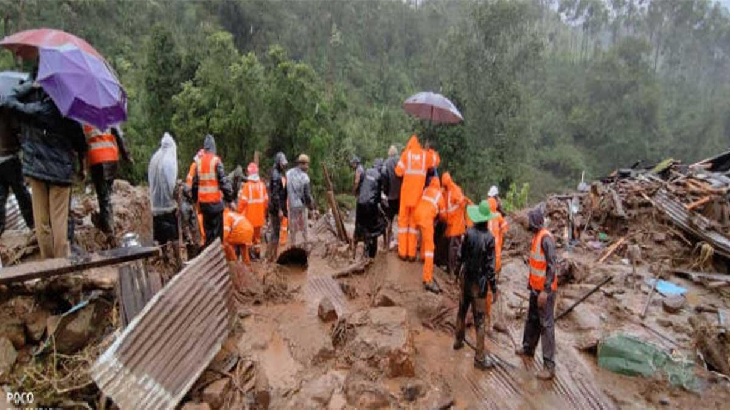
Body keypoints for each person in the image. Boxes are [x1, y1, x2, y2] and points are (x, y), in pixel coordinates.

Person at [1, 78, 87, 258]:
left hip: (37, 170)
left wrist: (29, 86)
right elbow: (81, 143)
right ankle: (61, 263)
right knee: (59, 219)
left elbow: (7, 100)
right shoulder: (68, 111)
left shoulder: (33, 109)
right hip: (61, 172)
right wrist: (81, 167)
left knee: (41, 221)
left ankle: (47, 264)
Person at [453, 200, 497, 370]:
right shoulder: (490, 239)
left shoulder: (468, 233)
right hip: (480, 284)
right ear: (486, 220)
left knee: (462, 310)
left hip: (466, 279)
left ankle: (458, 340)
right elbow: (490, 267)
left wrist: (456, 273)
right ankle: (479, 358)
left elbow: (460, 256)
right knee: (479, 320)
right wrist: (494, 288)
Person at [516, 207, 557, 380]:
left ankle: (549, 365)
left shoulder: (546, 239)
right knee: (531, 318)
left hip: (544, 292)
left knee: (546, 326)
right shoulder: (537, 237)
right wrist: (531, 285)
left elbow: (552, 266)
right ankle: (528, 348)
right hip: (535, 288)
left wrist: (545, 291)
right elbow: (535, 265)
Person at [83, 123, 133, 242]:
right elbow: (119, 136)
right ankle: (107, 223)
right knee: (106, 194)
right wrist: (127, 155)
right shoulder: (108, 117)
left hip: (96, 160)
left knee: (103, 195)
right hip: (111, 159)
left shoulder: (85, 121)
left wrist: (82, 167)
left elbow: (82, 144)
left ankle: (109, 229)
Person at [0, 92, 33, 236]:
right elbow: (17, 131)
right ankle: (32, 224)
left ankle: (0, 231)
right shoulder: (7, 111)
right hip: (10, 158)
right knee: (21, 193)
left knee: (0, 197)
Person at [191, 134, 233, 247]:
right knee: (218, 237)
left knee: (208, 234)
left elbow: (194, 185)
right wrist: (230, 198)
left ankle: (209, 257)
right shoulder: (216, 161)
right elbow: (224, 182)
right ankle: (218, 259)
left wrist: (195, 201)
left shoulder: (198, 163)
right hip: (215, 204)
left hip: (204, 205)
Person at [394, 135, 428, 261]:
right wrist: (428, 150)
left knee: (403, 223)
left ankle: (402, 252)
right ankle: (412, 254)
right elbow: (436, 161)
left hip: (406, 195)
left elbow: (398, 171)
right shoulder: (425, 156)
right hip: (417, 197)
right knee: (413, 225)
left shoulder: (406, 155)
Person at [148, 132, 179, 258]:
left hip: (156, 205)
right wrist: (175, 199)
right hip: (168, 205)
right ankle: (178, 261)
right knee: (174, 235)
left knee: (161, 237)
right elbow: (171, 183)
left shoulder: (155, 158)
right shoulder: (168, 160)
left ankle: (165, 257)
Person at [412, 176, 445, 293]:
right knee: (430, 248)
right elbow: (443, 214)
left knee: (419, 237)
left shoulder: (426, 190)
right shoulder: (439, 195)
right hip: (426, 219)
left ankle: (416, 256)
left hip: (417, 214)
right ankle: (427, 279)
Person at [355, 158, 387, 258]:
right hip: (370, 205)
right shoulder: (380, 176)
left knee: (359, 225)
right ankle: (371, 254)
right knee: (373, 227)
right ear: (380, 167)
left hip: (360, 203)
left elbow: (360, 187)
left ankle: (355, 246)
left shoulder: (365, 171)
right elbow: (378, 195)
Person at [440, 172, 468, 277]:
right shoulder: (447, 191)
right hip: (451, 224)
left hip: (457, 224)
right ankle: (448, 267)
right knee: (449, 246)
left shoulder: (455, 190)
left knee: (454, 247)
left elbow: (461, 203)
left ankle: (452, 271)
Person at [238, 162, 268, 259]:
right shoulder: (262, 185)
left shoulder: (247, 186)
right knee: (257, 238)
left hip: (249, 218)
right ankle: (257, 254)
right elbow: (266, 201)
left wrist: (238, 213)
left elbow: (243, 202)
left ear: (249, 173)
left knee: (249, 238)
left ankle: (250, 257)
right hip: (259, 217)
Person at [286, 154, 315, 246]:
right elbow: (307, 195)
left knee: (292, 228)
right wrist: (311, 206)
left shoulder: (288, 173)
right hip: (301, 206)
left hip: (291, 205)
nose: (307, 167)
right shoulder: (305, 177)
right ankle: (305, 247)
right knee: (304, 228)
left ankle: (293, 245)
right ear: (302, 164)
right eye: (307, 164)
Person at [266, 152, 288, 261]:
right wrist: (279, 209)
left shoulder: (277, 173)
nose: (284, 166)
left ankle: (270, 256)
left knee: (275, 232)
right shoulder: (275, 175)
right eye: (282, 163)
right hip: (275, 208)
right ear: (278, 162)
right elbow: (275, 195)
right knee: (275, 232)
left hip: (275, 207)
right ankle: (271, 257)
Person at [382, 145, 401, 248]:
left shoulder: (386, 163)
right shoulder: (401, 161)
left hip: (390, 196)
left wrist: (385, 191)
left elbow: (384, 177)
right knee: (401, 220)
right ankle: (401, 243)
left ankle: (387, 243)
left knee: (389, 220)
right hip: (401, 196)